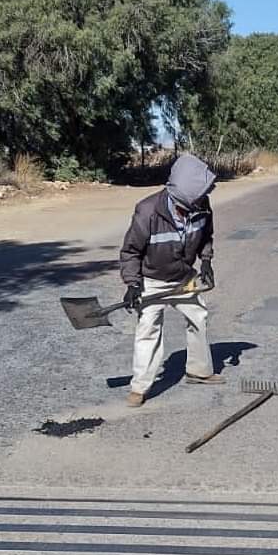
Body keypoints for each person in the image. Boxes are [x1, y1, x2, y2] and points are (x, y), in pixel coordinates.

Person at [119, 153, 225, 407]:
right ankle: (140, 387)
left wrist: (206, 261)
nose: (203, 198)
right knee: (148, 329)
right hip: (152, 279)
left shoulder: (201, 206)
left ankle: (198, 371)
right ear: (184, 194)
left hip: (183, 277)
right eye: (199, 195)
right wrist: (132, 284)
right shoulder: (148, 211)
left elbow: (206, 236)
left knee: (198, 316)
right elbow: (130, 251)